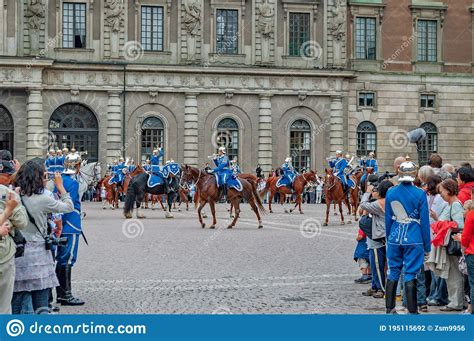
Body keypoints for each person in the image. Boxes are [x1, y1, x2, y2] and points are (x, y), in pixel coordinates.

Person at [12, 159, 74, 314]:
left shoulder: (13, 196)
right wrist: (60, 186)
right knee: (41, 306)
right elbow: (68, 207)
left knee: (18, 306)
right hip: (39, 255)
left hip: (18, 254)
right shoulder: (44, 199)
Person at [384, 161, 431, 314]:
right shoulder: (420, 193)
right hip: (414, 236)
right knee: (411, 272)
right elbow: (424, 221)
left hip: (395, 236)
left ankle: (389, 308)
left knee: (393, 271)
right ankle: (412, 309)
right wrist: (427, 245)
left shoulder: (391, 192)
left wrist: (389, 237)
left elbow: (388, 219)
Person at [430, 178, 465, 311]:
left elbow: (459, 224)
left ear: (449, 190)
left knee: (453, 274)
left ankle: (456, 303)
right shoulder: (451, 204)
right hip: (448, 243)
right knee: (451, 273)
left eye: (442, 192)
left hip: (451, 244)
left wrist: (442, 224)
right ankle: (454, 301)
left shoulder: (455, 204)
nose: (441, 195)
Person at [55, 153, 85, 306]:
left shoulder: (60, 180)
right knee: (67, 259)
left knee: (60, 259)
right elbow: (68, 205)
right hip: (70, 225)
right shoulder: (73, 183)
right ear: (78, 166)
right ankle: (66, 295)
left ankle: (60, 294)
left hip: (62, 225)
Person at [360, 179, 393, 299]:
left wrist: (367, 192)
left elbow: (363, 205)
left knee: (378, 265)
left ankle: (380, 288)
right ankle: (375, 286)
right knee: (375, 264)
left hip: (379, 236)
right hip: (383, 235)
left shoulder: (380, 203)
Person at [0, 186, 28, 314]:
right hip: (3, 254)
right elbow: (22, 222)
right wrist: (9, 210)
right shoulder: (5, 192)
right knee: (4, 306)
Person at [423, 175, 449, 307]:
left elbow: (438, 218)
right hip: (431, 234)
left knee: (436, 268)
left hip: (436, 235)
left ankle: (437, 295)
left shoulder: (440, 199)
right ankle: (433, 294)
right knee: (432, 267)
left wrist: (435, 217)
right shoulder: (428, 197)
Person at [454, 200, 474, 314]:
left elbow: (466, 237)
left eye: (465, 209)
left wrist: (462, 245)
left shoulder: (471, 216)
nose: (463, 212)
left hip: (471, 252)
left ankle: (472, 310)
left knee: (472, 282)